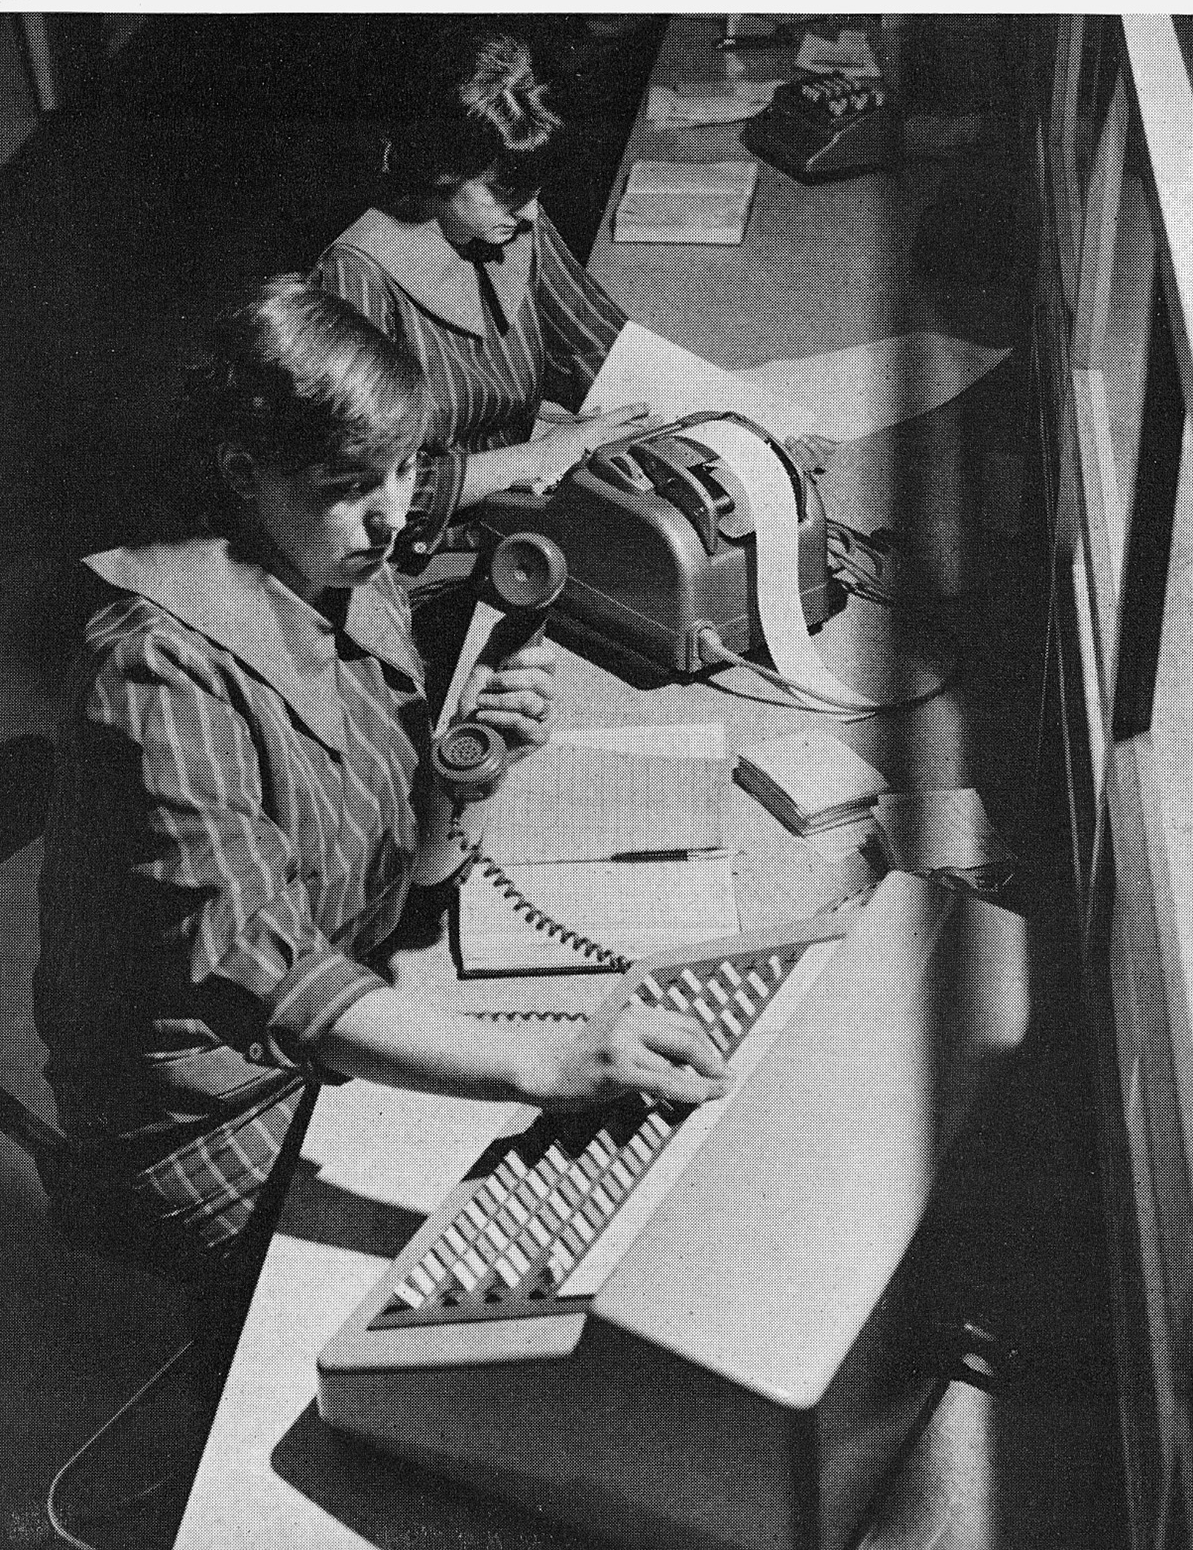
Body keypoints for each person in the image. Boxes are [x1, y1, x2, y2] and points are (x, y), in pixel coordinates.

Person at [32, 277, 728, 1301]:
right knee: (497, 1290)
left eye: (405, 469)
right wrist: (542, 1065)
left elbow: (400, 874)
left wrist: (473, 756)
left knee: (618, 1209)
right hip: (214, 1115)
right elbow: (281, 983)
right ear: (245, 473)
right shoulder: (155, 674)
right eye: (350, 483)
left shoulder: (341, 569)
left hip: (351, 1019)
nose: (392, 515)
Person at [314, 31, 655, 566]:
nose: (530, 214)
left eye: (534, 193)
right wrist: (545, 454)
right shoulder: (355, 276)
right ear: (439, 171)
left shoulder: (509, 224)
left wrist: (744, 417)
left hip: (527, 518)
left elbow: (609, 356)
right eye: (508, 194)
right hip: (423, 561)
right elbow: (361, 492)